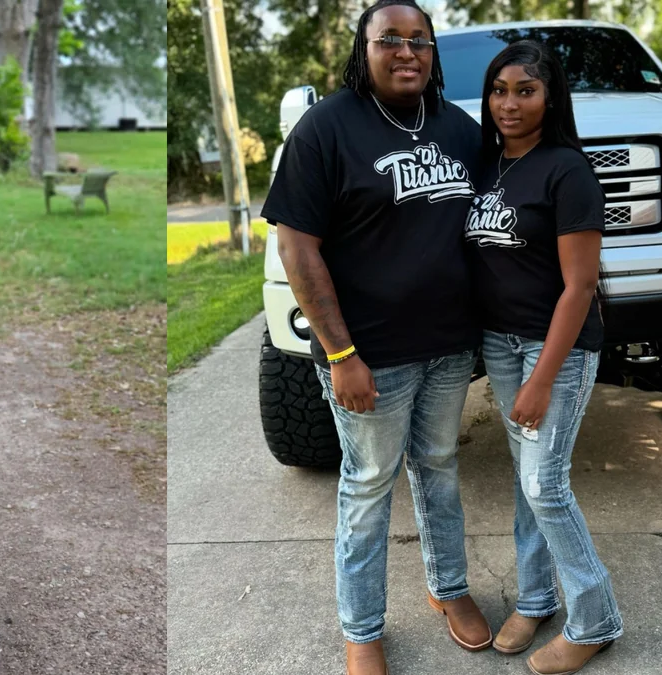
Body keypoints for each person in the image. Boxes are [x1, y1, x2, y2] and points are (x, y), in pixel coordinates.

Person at [260, 1, 490, 672]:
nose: (408, 51)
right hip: (368, 355)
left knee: (440, 469)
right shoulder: (325, 129)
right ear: (363, 50)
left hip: (449, 348)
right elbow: (298, 250)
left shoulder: (458, 129)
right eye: (391, 39)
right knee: (367, 486)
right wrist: (340, 354)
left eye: (420, 40)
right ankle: (361, 627)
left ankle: (449, 588)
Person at [466, 40, 623, 675]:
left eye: (525, 91)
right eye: (499, 90)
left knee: (544, 482)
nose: (509, 103)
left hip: (553, 347)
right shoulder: (485, 163)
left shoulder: (568, 171)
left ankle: (596, 617)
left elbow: (580, 286)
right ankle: (535, 598)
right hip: (500, 343)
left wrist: (541, 378)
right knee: (524, 475)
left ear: (549, 96)